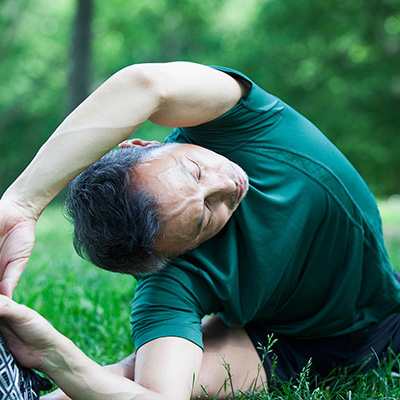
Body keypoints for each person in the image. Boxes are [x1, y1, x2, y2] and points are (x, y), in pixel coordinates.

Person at [0, 61, 399, 399]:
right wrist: (57, 357)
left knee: (134, 370)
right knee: (145, 377)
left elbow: (146, 84)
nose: (226, 185)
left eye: (193, 171)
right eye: (205, 216)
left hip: (389, 310)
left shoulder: (241, 126)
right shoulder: (169, 281)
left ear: (139, 144)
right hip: (290, 345)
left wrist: (23, 202)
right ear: (174, 253)